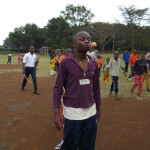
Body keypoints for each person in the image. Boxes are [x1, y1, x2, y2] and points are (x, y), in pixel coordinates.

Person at [53, 31, 101, 150]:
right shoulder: (66, 63)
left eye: (89, 39)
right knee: (70, 146)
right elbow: (58, 88)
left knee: (88, 146)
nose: (87, 41)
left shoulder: (94, 63)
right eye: (83, 39)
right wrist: (56, 113)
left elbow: (96, 88)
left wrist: (98, 107)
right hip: (72, 114)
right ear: (74, 44)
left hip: (90, 113)